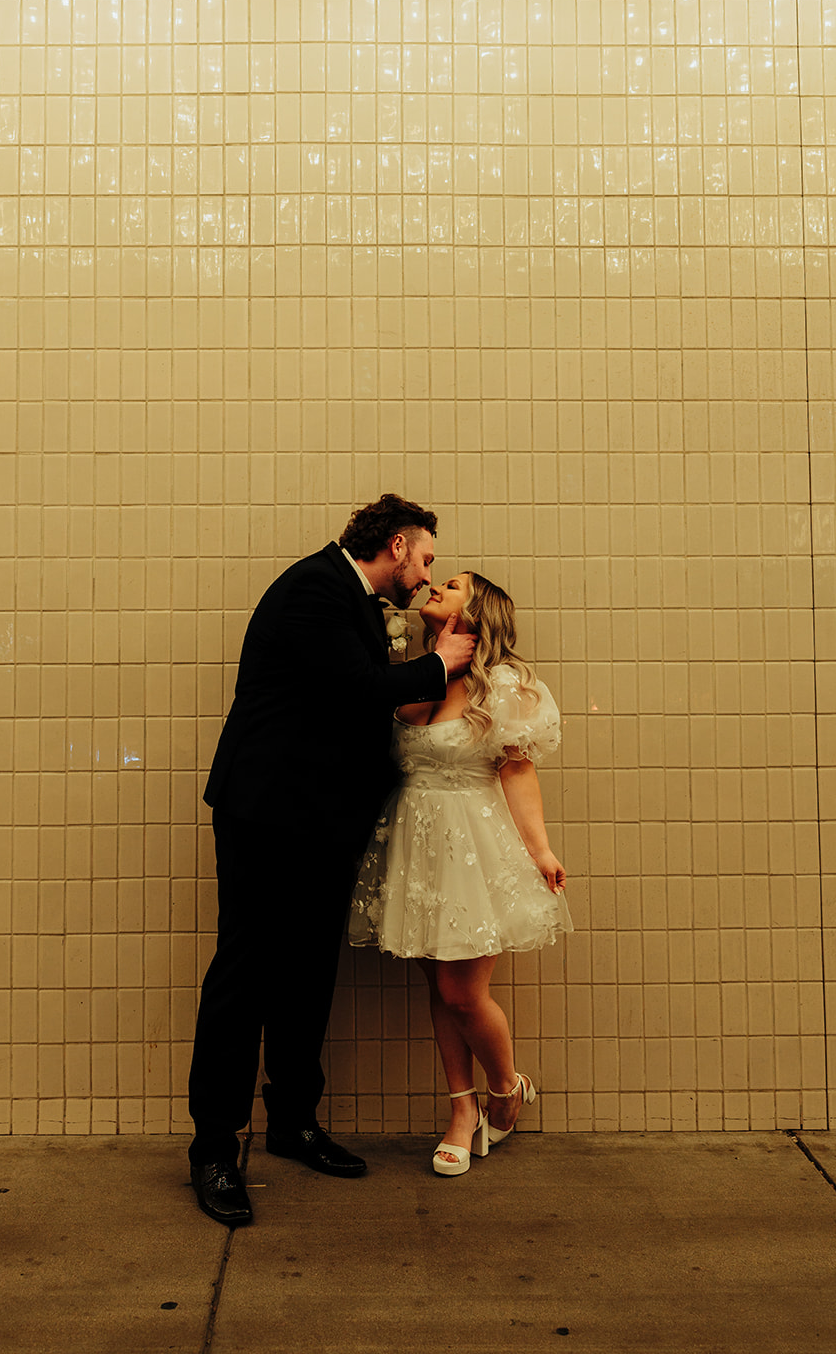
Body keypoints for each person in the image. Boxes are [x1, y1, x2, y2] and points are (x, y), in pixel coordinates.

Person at [188, 495, 476, 1226]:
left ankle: (292, 1124)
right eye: (427, 559)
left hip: (323, 823)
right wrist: (437, 664)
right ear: (400, 544)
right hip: (267, 816)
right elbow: (359, 689)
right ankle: (215, 1150)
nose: (426, 574)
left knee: (308, 975)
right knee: (244, 977)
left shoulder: (351, 599)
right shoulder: (314, 588)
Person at [349, 571, 571, 1177]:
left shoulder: (504, 686)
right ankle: (461, 1111)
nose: (433, 587)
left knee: (461, 991)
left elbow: (517, 772)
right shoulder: (419, 670)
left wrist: (541, 850)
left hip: (473, 846)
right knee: (437, 986)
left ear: (479, 611)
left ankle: (505, 1089)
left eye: (450, 584)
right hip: (414, 846)